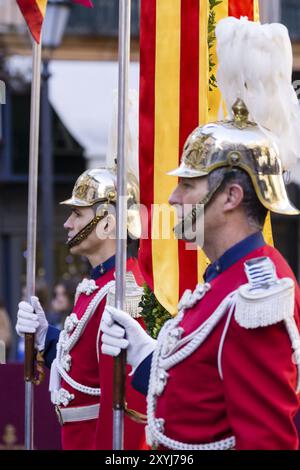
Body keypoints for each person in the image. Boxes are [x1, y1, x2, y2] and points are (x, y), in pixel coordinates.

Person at [100, 18, 300, 450]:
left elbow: (266, 440)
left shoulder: (257, 295)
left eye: (187, 185)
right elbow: (199, 393)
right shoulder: (223, 281)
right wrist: (144, 353)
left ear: (230, 197)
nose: (171, 198)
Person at [15, 167, 146, 450]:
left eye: (77, 214)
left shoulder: (122, 291)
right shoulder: (97, 283)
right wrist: (44, 337)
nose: (68, 223)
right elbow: (83, 371)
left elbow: (123, 403)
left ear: (107, 224)